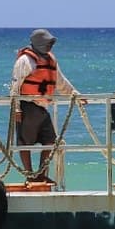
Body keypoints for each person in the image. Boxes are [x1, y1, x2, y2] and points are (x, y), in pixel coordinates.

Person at [10, 28, 83, 183]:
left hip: (43, 107)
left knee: (50, 141)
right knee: (25, 143)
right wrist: (16, 108)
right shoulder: (25, 61)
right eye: (48, 42)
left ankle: (41, 175)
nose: (50, 45)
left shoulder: (51, 60)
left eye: (51, 43)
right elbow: (16, 85)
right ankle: (30, 176)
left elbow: (61, 82)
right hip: (27, 105)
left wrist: (75, 95)